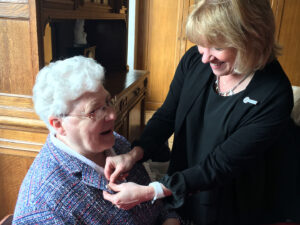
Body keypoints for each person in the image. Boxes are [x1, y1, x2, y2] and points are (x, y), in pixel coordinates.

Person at [102, 0, 300, 224]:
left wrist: (152, 191)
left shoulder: (273, 93)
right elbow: (167, 115)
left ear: (252, 39)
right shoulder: (195, 60)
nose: (205, 57)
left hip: (232, 199)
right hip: (183, 183)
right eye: (201, 44)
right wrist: (134, 154)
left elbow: (221, 165)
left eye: (218, 47)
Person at [12, 56, 181, 225]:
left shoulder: (116, 143)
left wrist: (170, 218)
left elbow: (159, 206)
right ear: (58, 124)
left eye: (108, 102)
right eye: (94, 111)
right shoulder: (43, 207)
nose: (113, 115)